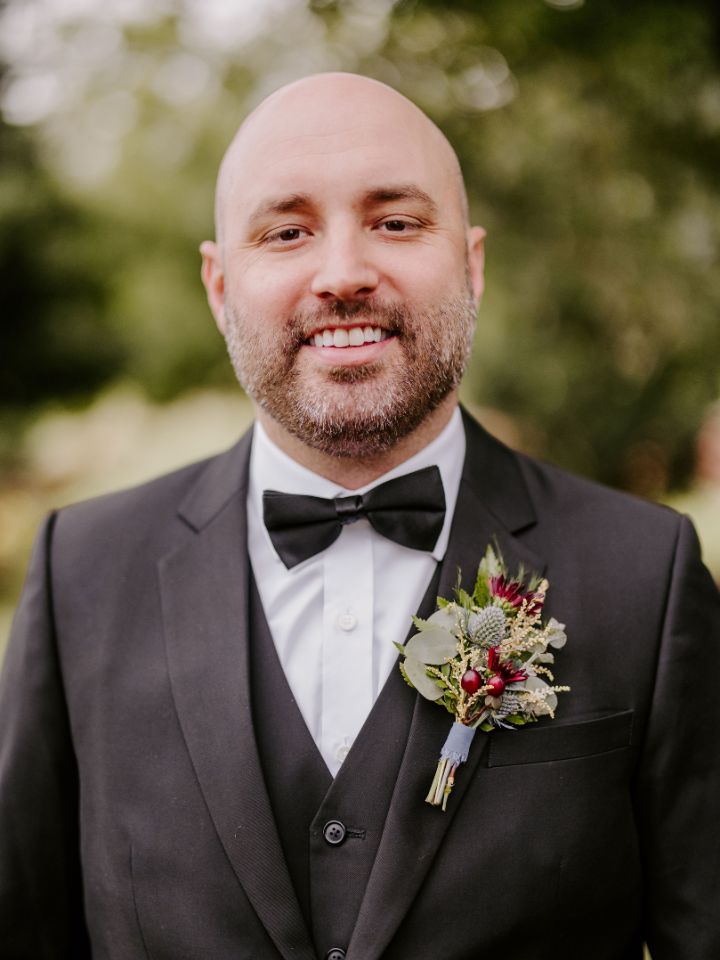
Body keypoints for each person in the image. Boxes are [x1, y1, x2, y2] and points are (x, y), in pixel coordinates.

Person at [1, 72, 719, 960]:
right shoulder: (82, 571)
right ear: (221, 286)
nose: (342, 274)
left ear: (473, 263)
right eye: (288, 231)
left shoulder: (647, 575)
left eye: (396, 222)